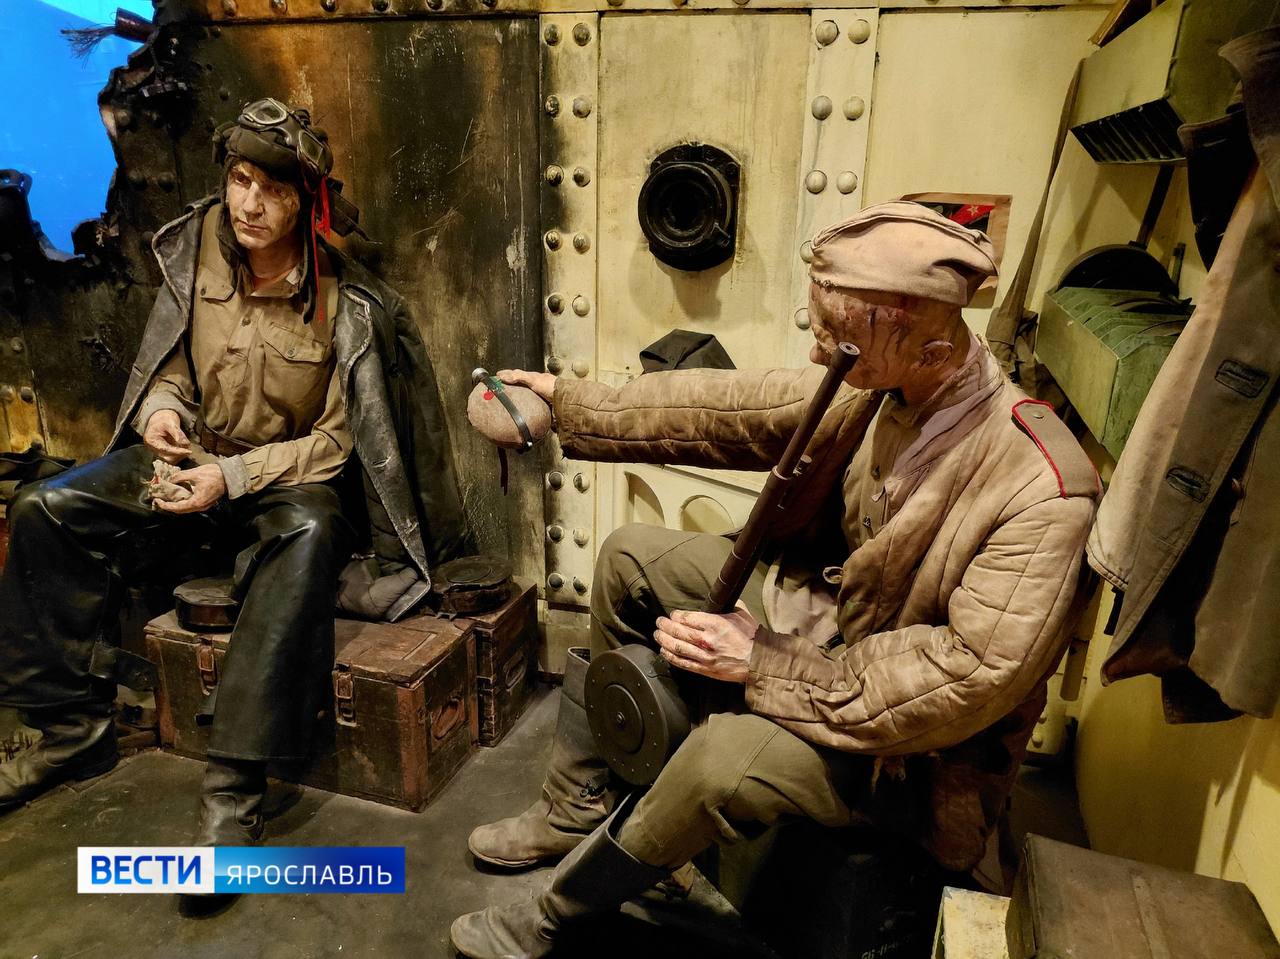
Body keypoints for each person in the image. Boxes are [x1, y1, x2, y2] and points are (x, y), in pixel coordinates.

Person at [452, 201, 1100, 957]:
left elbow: (960, 679)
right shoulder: (877, 382)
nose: (819, 352)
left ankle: (560, 914)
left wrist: (762, 662)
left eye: (835, 338)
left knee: (719, 760)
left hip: (912, 749)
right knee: (630, 558)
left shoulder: (1041, 489)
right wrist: (566, 402)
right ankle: (581, 806)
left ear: (928, 347)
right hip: (829, 625)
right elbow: (728, 407)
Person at [0, 98, 471, 848]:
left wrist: (234, 476)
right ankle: (68, 735)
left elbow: (336, 444)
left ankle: (233, 785)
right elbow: (174, 365)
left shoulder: (346, 301)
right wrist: (163, 408)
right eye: (241, 180)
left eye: (273, 190)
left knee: (309, 532)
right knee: (43, 508)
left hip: (288, 479)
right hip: (192, 458)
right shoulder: (196, 251)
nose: (249, 205)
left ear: (305, 203)